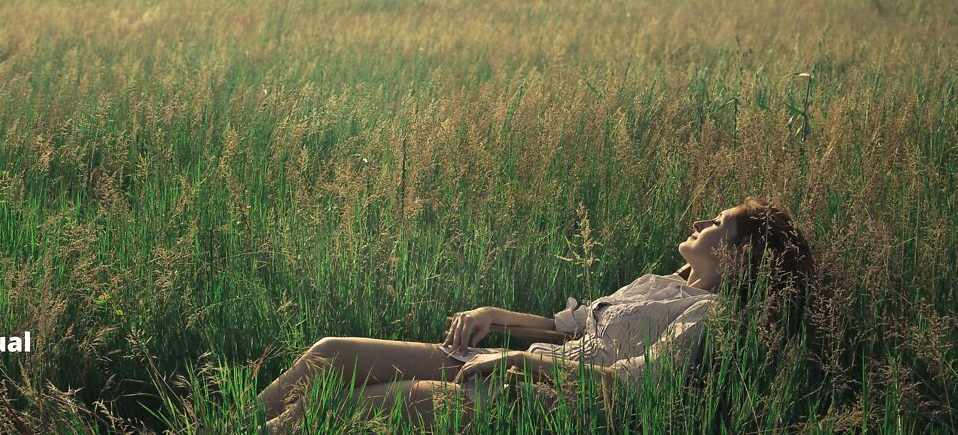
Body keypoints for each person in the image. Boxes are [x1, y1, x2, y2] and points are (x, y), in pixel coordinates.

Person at [256, 197, 814, 433]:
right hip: (518, 361)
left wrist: (522, 361)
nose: (700, 222)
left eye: (717, 222)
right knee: (332, 354)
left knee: (390, 399)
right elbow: (567, 328)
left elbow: (633, 387)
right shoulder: (660, 282)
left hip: (549, 399)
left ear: (738, 255)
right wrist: (494, 317)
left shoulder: (709, 316)